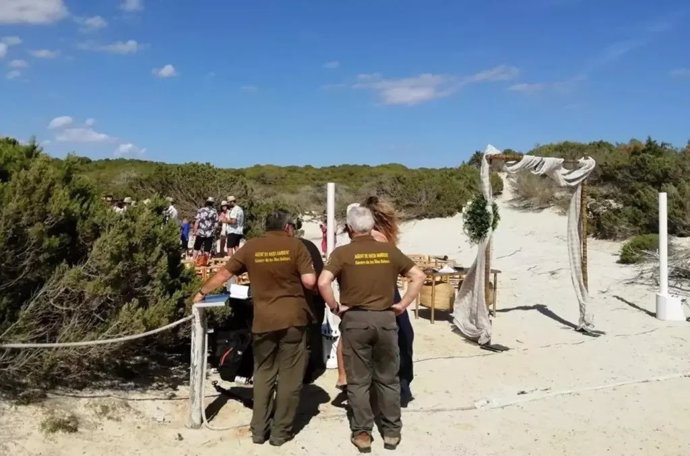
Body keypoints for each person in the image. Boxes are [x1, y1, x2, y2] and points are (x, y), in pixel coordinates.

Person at [193, 210, 316, 446]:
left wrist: (200, 293)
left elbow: (223, 273)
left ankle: (259, 430)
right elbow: (310, 281)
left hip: (263, 320)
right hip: (293, 318)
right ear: (288, 227)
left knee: (263, 374)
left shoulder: (251, 247)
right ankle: (280, 433)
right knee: (290, 377)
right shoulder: (296, 246)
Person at [318, 206, 425, 453]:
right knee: (388, 378)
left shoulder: (342, 253)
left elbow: (323, 282)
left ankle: (363, 433)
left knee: (358, 381)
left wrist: (335, 307)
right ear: (371, 226)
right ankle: (391, 431)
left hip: (355, 320)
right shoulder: (389, 251)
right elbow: (417, 276)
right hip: (386, 319)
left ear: (350, 228)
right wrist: (401, 305)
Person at [335, 197, 417, 406]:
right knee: (400, 337)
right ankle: (396, 387)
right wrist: (403, 304)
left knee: (355, 335)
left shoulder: (361, 240)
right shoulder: (378, 238)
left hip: (363, 293)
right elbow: (415, 274)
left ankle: (348, 380)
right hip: (384, 293)